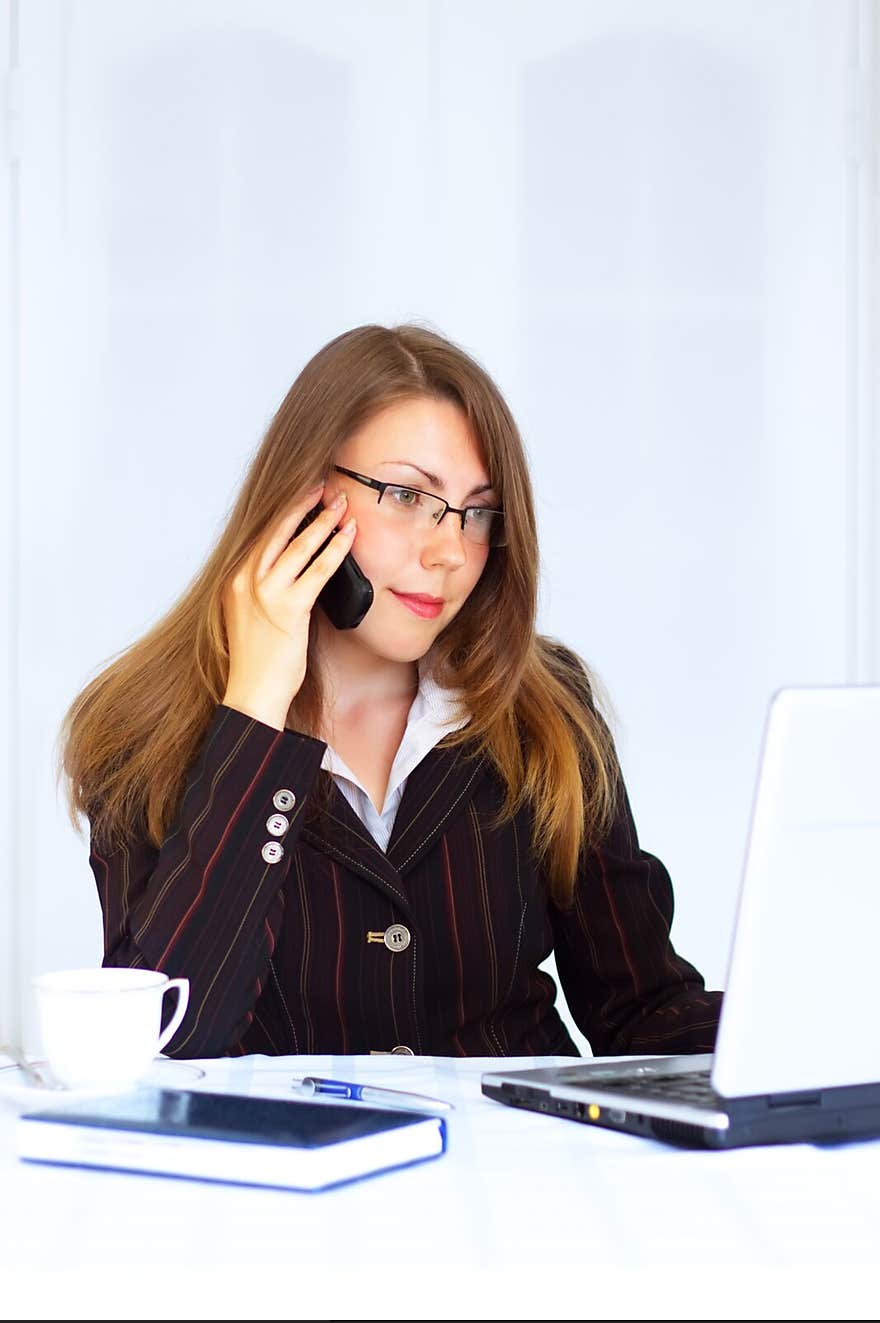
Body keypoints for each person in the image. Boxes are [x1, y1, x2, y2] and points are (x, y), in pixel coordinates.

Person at [57, 322, 722, 1060]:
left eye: (478, 512)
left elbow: (645, 1011)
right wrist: (253, 717)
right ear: (304, 495)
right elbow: (162, 1049)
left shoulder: (544, 708)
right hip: (284, 1170)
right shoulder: (143, 728)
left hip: (518, 1168)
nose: (449, 551)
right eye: (407, 495)